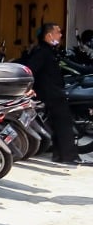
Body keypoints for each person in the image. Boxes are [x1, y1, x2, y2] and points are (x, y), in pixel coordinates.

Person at [23, 22, 80, 165]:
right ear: (49, 35)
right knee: (64, 124)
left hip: (54, 92)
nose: (61, 35)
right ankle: (68, 157)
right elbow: (30, 70)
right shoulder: (42, 52)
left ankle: (59, 155)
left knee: (57, 125)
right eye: (58, 32)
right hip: (50, 94)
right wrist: (29, 87)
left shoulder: (49, 51)